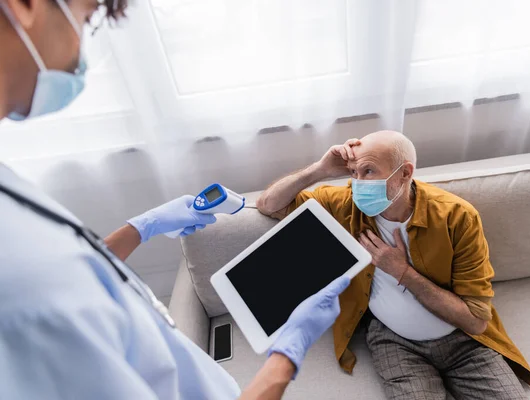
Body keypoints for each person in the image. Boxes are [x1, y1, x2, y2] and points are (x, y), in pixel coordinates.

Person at [0, 1, 351, 399]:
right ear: (23, 6)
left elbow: (70, 280)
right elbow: (44, 294)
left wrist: (141, 226)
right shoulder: (21, 298)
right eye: (87, 18)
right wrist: (286, 355)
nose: (81, 51)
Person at [257, 131, 530, 399]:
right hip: (394, 341)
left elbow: (475, 321)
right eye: (353, 173)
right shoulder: (345, 204)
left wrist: (402, 271)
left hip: (464, 342)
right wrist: (319, 170)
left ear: (405, 173)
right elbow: (269, 205)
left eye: (368, 172)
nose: (358, 183)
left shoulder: (457, 217)